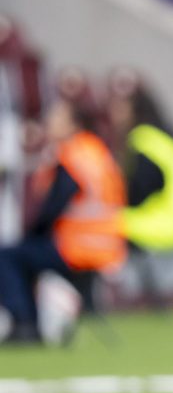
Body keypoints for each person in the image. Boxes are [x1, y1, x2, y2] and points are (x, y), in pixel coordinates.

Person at [0, 95, 126, 343]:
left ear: (73, 123)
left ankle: (24, 323)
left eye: (56, 116)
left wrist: (33, 232)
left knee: (7, 256)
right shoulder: (95, 150)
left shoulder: (72, 154)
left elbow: (57, 202)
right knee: (25, 253)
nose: (49, 120)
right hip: (108, 247)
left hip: (77, 248)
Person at [108, 70, 173, 256]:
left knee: (91, 225)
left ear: (134, 109)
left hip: (157, 225)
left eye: (119, 107)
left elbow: (141, 189)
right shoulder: (161, 138)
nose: (113, 113)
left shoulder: (145, 141)